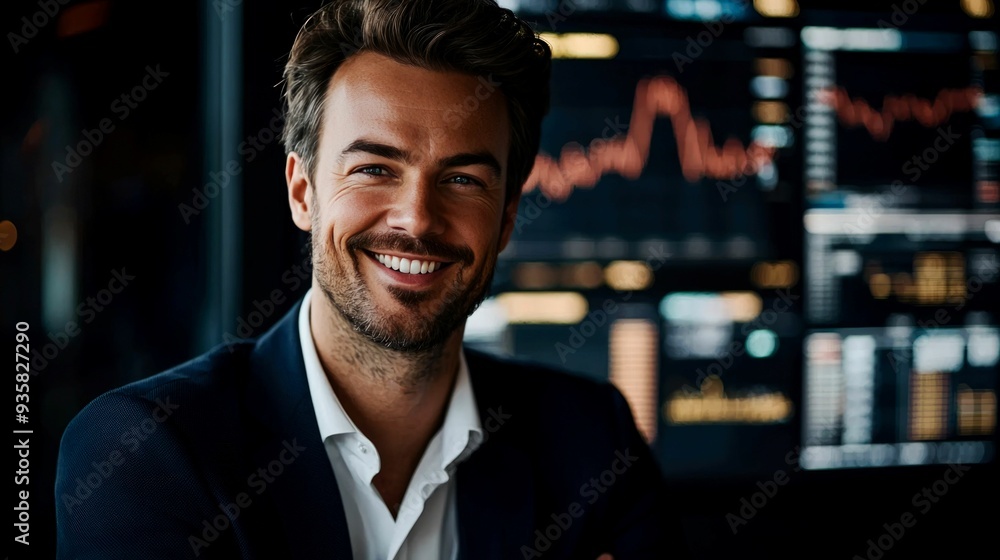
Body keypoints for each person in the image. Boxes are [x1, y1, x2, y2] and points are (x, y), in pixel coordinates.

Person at [54, 0, 689, 558]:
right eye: (374, 169)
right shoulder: (142, 454)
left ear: (505, 220)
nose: (417, 219)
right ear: (303, 191)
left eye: (464, 180)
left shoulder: (592, 440)